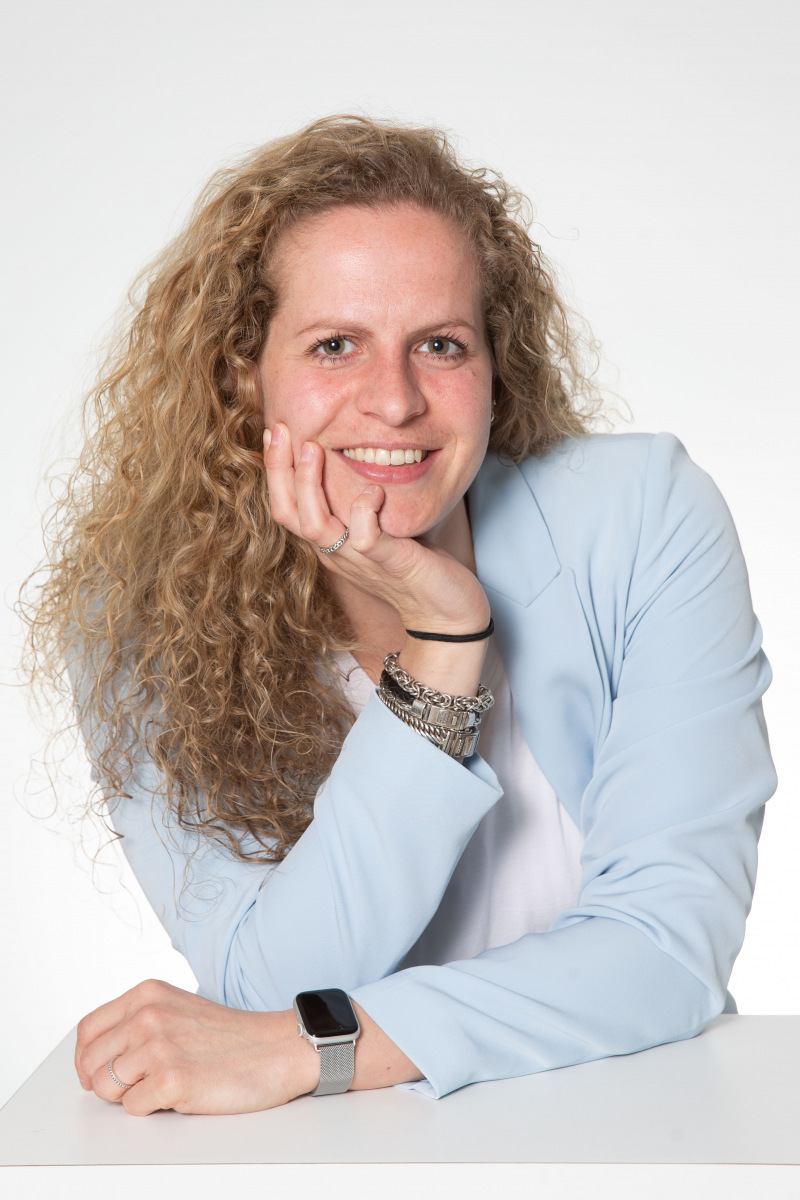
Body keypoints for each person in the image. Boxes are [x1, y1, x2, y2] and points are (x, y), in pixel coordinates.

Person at [23, 115, 776, 1116]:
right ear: (242, 371)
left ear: (494, 365)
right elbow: (268, 982)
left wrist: (312, 1048)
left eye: (440, 345)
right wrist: (443, 648)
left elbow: (667, 949)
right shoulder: (141, 615)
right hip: (338, 1163)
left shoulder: (644, 519)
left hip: (637, 1135)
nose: (395, 401)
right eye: (335, 345)